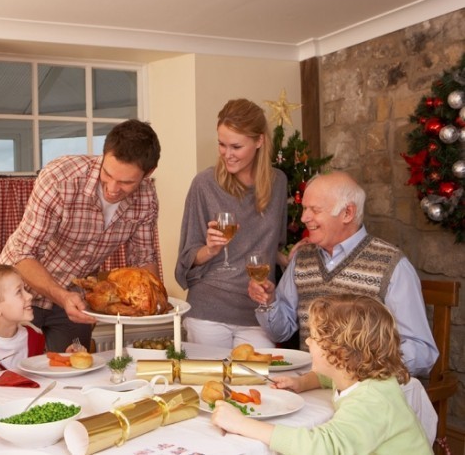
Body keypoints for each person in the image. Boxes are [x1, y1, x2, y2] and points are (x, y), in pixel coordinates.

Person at [249, 171, 438, 377]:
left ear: (347, 213)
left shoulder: (391, 265)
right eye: (304, 208)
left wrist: (363, 369)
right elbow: (281, 331)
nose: (304, 218)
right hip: (309, 386)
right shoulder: (302, 258)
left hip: (365, 391)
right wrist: (268, 302)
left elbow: (422, 352)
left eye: (314, 210)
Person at [0, 119, 162, 352]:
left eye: (126, 182)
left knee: (74, 373)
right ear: (103, 154)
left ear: (148, 173)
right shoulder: (60, 179)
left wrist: (153, 303)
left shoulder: (146, 199)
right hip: (18, 292)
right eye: (108, 174)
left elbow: (143, 260)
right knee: (12, 378)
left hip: (74, 300)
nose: (113, 189)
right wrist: (61, 296)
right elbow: (23, 253)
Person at [211, 295, 433, 454]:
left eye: (314, 338)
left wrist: (241, 424)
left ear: (340, 352)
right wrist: (303, 382)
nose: (307, 341)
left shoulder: (372, 400)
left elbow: (325, 447)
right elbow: (330, 377)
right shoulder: (365, 376)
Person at [175, 98, 287, 349]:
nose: (227, 154)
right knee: (211, 387)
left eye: (236, 146)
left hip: (257, 310)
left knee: (260, 384)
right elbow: (187, 256)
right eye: (222, 144)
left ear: (259, 141)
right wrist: (211, 249)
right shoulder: (204, 184)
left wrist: (291, 258)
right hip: (209, 310)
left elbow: (273, 245)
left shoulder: (278, 183)